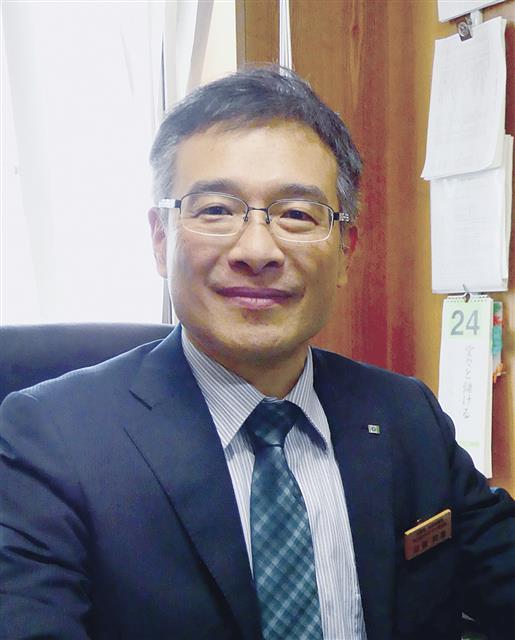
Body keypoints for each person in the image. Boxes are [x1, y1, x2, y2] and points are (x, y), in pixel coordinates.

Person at [1, 66, 514, 640]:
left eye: (297, 214)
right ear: (161, 239)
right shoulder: (48, 441)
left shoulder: (406, 416)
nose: (257, 250)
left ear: (345, 252)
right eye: (216, 210)